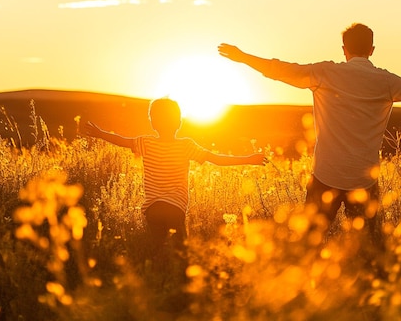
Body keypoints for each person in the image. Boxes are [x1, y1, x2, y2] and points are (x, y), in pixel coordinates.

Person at [218, 22, 401, 245]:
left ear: (344, 49)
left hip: (326, 176)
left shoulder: (325, 74)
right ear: (372, 49)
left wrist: (243, 57)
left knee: (308, 245)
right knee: (367, 248)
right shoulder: (387, 82)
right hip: (364, 180)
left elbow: (278, 70)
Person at [83, 98, 266, 270]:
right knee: (182, 253)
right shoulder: (185, 145)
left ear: (153, 122)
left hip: (153, 208)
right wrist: (249, 159)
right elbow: (217, 159)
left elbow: (121, 141)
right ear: (179, 122)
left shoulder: (145, 143)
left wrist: (100, 134)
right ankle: (181, 286)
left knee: (157, 251)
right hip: (175, 207)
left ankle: (157, 279)